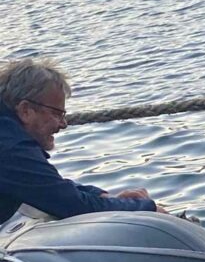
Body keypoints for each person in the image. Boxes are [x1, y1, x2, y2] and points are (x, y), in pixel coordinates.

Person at [0, 57, 165, 227]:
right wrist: (146, 208)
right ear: (26, 110)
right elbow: (72, 205)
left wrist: (100, 196)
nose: (63, 124)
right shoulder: (10, 147)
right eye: (56, 114)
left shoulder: (8, 137)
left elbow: (46, 183)